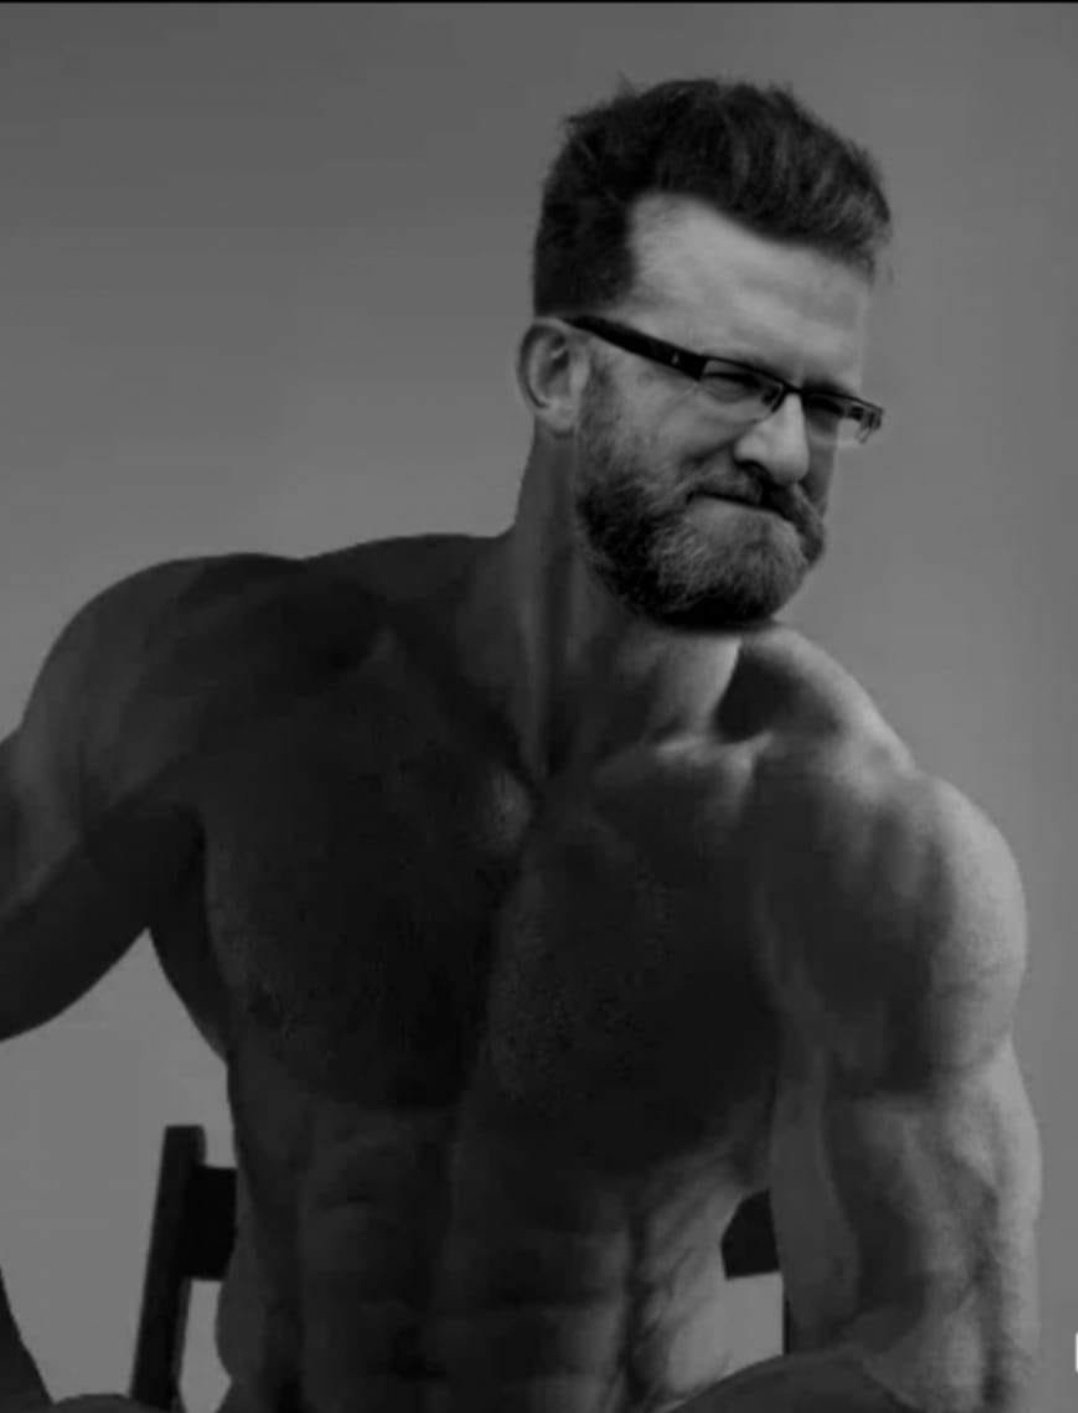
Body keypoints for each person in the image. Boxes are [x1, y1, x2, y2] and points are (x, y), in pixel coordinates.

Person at [0, 75, 1040, 1413]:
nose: (785, 450)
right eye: (729, 378)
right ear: (559, 375)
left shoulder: (860, 849)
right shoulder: (211, 684)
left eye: (828, 403)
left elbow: (953, 1358)